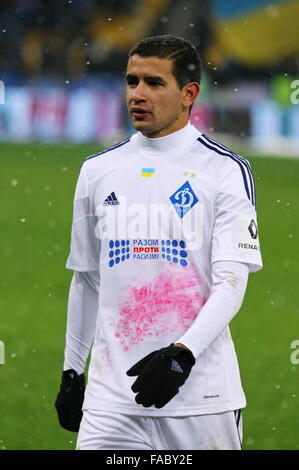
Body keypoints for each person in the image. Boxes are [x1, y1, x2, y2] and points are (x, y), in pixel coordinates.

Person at [55, 34, 263, 450]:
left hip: (201, 403)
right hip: (110, 405)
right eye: (132, 81)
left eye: (154, 82)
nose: (138, 94)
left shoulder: (226, 171)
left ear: (189, 94)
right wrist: (72, 371)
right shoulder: (96, 171)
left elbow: (230, 284)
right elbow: (87, 279)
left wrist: (182, 355)